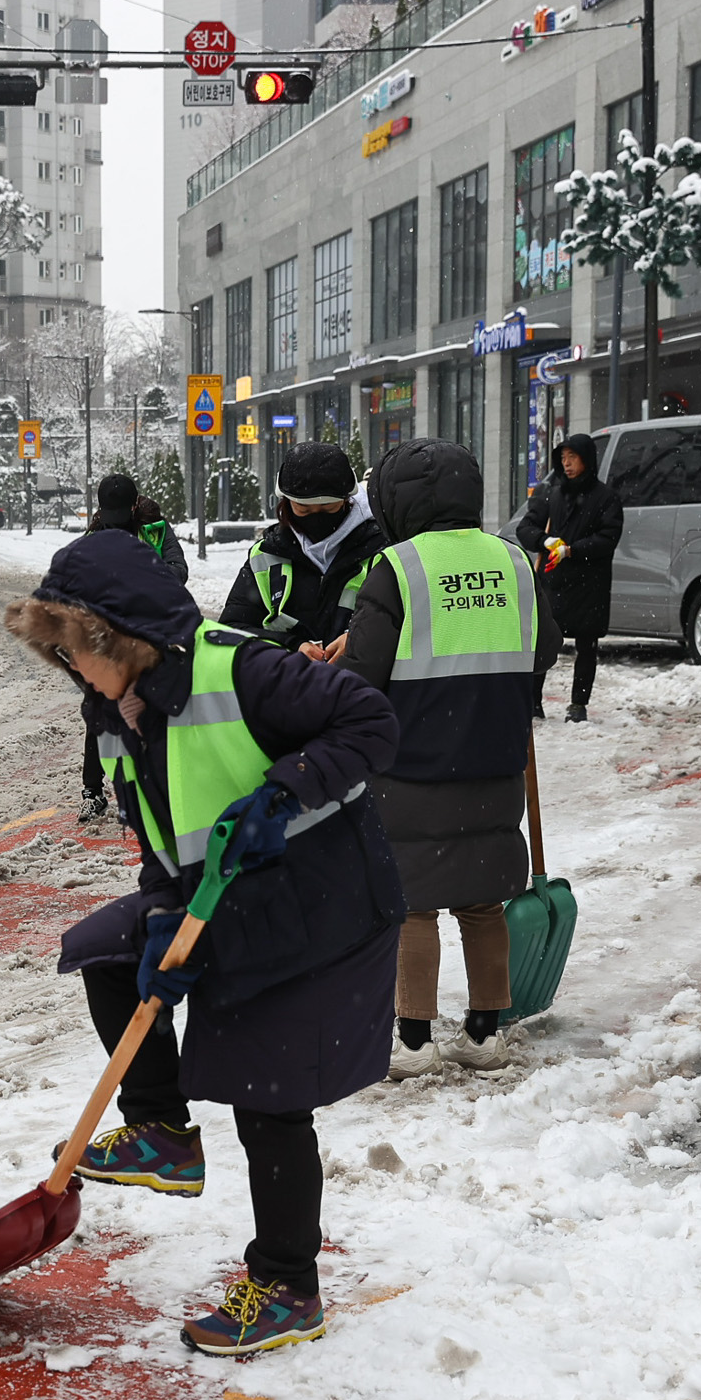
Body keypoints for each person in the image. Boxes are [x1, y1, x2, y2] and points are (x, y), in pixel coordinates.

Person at [7, 530, 406, 1357]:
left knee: (266, 1092)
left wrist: (282, 794)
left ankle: (289, 1285)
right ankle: (163, 1131)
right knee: (109, 950)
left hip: (321, 901)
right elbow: (163, 840)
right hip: (227, 900)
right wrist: (161, 915)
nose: (70, 669)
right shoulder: (115, 714)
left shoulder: (241, 669)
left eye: (75, 651)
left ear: (115, 637)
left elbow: (368, 720)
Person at [340, 439, 558, 1077]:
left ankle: (412, 1041)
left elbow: (364, 674)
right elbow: (543, 647)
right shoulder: (515, 561)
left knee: (413, 901)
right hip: (495, 757)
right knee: (483, 898)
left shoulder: (397, 568)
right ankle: (486, 1034)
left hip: (411, 763)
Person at [78, 475, 186, 821]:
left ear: (134, 505)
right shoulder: (94, 537)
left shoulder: (155, 529)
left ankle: (151, 788)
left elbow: (177, 570)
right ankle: (93, 792)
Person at [219, 441, 389, 656]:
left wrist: (360, 638)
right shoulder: (265, 556)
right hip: (291, 684)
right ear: (286, 503)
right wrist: (290, 645)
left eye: (329, 508)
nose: (317, 517)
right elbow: (232, 630)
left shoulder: (381, 550)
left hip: (358, 685)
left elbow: (411, 621)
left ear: (348, 501)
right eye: (304, 509)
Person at [512, 434, 621, 722]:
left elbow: (607, 539)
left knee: (587, 646)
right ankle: (534, 703)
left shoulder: (606, 497)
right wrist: (546, 541)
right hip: (554, 584)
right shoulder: (550, 494)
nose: (567, 463)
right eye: (563, 458)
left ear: (587, 459)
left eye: (572, 457)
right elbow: (525, 528)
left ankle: (578, 704)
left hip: (590, 585)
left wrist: (572, 550)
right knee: (544, 642)